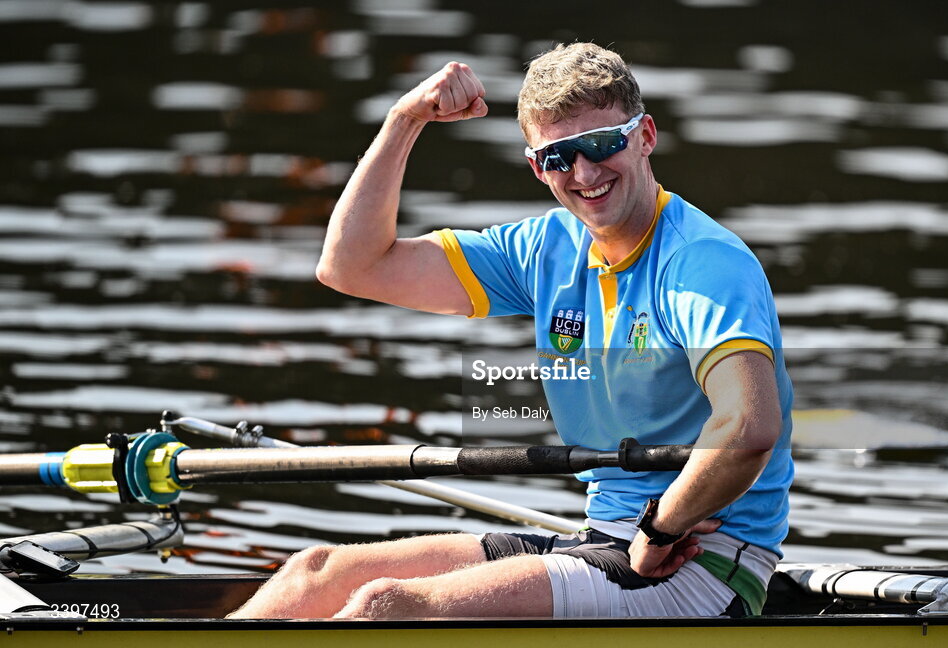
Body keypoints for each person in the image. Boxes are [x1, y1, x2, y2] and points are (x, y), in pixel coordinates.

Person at [229, 42, 793, 620]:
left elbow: (748, 426)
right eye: (558, 157)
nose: (585, 173)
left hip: (701, 559)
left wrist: (660, 527)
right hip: (606, 538)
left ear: (645, 136)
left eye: (601, 145)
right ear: (536, 167)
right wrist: (405, 120)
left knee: (388, 606)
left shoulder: (701, 265)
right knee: (312, 573)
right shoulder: (543, 249)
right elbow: (350, 267)